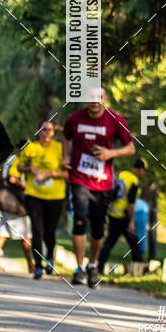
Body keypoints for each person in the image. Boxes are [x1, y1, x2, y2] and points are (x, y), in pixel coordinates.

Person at [63, 88, 135, 287]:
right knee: (79, 220)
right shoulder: (74, 118)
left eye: (99, 98)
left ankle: (92, 265)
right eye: (91, 98)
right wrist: (65, 156)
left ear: (105, 100)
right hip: (79, 177)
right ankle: (79, 268)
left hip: (103, 183)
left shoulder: (115, 120)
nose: (95, 101)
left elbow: (131, 148)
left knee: (97, 228)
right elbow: (66, 136)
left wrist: (110, 154)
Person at [17, 120, 68, 279]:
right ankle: (38, 265)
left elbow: (68, 173)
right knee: (37, 230)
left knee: (49, 232)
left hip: (55, 196)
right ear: (38, 131)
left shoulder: (60, 148)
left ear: (53, 132)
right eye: (43, 129)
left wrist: (49, 174)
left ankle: (50, 258)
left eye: (49, 130)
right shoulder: (30, 148)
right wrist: (29, 169)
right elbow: (19, 167)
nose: (46, 133)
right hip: (34, 194)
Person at [98, 157, 147, 272]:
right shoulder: (134, 181)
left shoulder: (122, 174)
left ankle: (99, 266)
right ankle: (139, 267)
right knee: (134, 242)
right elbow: (131, 202)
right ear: (140, 169)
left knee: (110, 242)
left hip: (113, 212)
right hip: (123, 215)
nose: (143, 173)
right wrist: (132, 221)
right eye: (143, 170)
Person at [0, 139, 33, 273]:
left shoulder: (10, 159)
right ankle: (31, 265)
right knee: (26, 235)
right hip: (16, 202)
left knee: (3, 232)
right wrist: (25, 186)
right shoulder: (18, 160)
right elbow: (12, 178)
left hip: (5, 200)